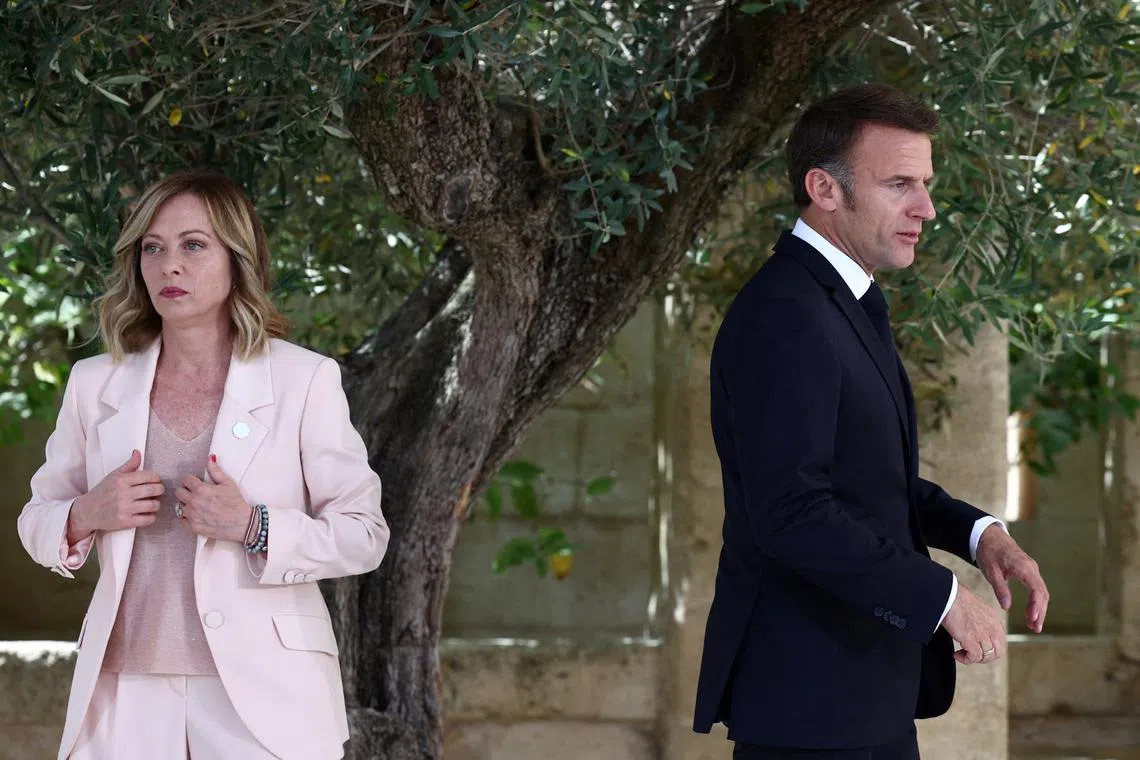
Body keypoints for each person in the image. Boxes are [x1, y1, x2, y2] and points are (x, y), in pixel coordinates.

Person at [692, 84, 1050, 759]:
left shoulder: (844, 302)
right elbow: (793, 510)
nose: (928, 208)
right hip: (810, 703)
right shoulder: (786, 314)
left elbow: (866, 482)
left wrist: (979, 536)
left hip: (856, 694)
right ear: (825, 189)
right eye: (899, 184)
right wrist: (942, 598)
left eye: (926, 183)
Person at [17, 170, 390, 760]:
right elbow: (36, 519)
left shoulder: (304, 380)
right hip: (123, 692)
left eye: (194, 245)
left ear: (237, 259)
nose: (170, 265)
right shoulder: (94, 384)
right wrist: (86, 514)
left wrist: (255, 526)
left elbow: (364, 535)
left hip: (264, 697)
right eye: (153, 248)